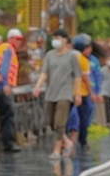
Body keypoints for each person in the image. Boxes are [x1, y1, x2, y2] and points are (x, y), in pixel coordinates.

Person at [32, 29, 82, 161]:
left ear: (65, 40)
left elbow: (77, 76)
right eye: (54, 38)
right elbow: (44, 72)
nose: (56, 40)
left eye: (58, 38)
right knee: (51, 122)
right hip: (51, 92)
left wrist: (77, 94)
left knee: (60, 123)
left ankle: (57, 149)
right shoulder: (49, 55)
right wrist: (38, 86)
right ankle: (68, 142)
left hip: (65, 93)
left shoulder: (72, 56)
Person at [68, 34, 98, 151]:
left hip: (68, 92)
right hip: (82, 93)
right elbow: (86, 79)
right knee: (83, 118)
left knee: (67, 117)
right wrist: (92, 93)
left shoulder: (69, 57)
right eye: (89, 47)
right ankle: (83, 141)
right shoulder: (83, 60)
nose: (90, 50)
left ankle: (66, 139)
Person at [100, 53, 110, 125]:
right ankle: (108, 120)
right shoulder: (102, 70)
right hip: (104, 90)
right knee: (107, 104)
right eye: (108, 59)